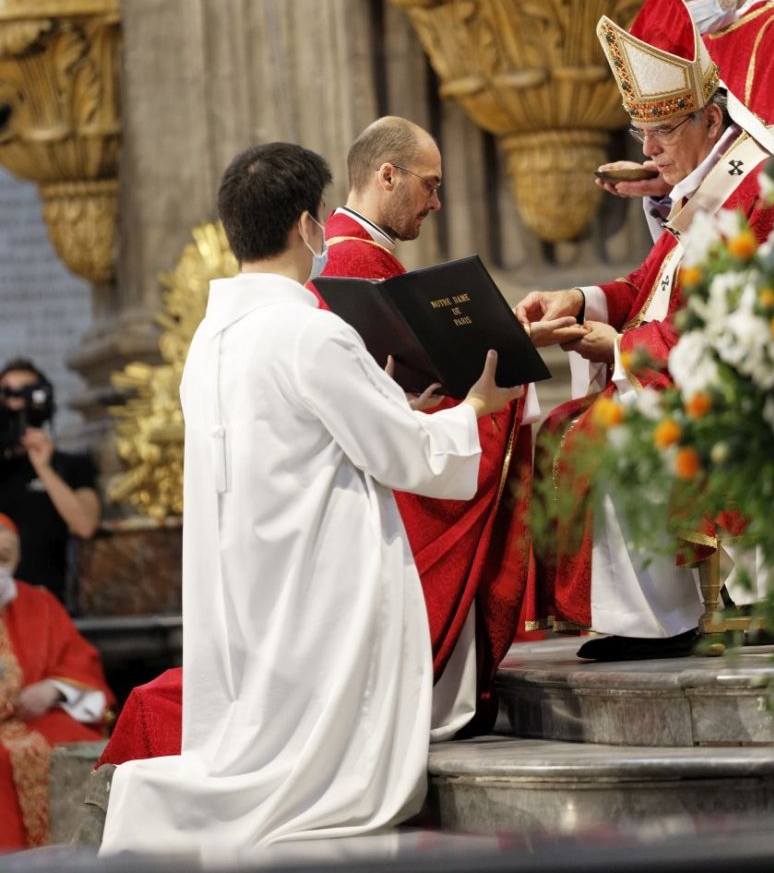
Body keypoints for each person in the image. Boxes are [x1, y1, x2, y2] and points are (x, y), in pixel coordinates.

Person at [99, 141, 523, 857]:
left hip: (255, 588)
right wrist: (474, 407)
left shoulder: (211, 340)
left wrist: (388, 401)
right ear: (307, 226)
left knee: (258, 737)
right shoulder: (309, 331)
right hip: (321, 591)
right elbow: (409, 457)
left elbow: (306, 437)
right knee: (320, 773)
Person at [516, 0, 774, 661]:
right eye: (643, 131)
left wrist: (626, 346)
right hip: (679, 368)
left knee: (602, 435)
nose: (652, 148)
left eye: (664, 129)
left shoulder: (757, 188)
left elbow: (741, 323)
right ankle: (635, 617)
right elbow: (650, 283)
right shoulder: (701, 181)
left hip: (741, 392)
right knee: (558, 431)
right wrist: (579, 301)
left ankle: (659, 622)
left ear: (710, 118)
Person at [310, 116, 580, 735]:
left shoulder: (346, 254)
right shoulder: (359, 264)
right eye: (429, 186)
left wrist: (507, 338)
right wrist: (506, 384)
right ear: (387, 175)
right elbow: (410, 399)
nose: (437, 201)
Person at [597, 0, 774, 215]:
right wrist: (668, 181)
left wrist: (690, 183)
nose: (685, 3)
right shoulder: (698, 43)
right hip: (719, 211)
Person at [0, 512, 112, 850]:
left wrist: (53, 689)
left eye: (3, 557)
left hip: (33, 719)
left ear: (16, 560)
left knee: (81, 751)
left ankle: (72, 858)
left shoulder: (41, 604)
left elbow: (81, 662)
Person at [0, 359, 100, 604]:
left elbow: (85, 525)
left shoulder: (70, 466)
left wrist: (44, 468)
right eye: (7, 393)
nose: (16, 403)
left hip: (46, 608)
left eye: (27, 393)